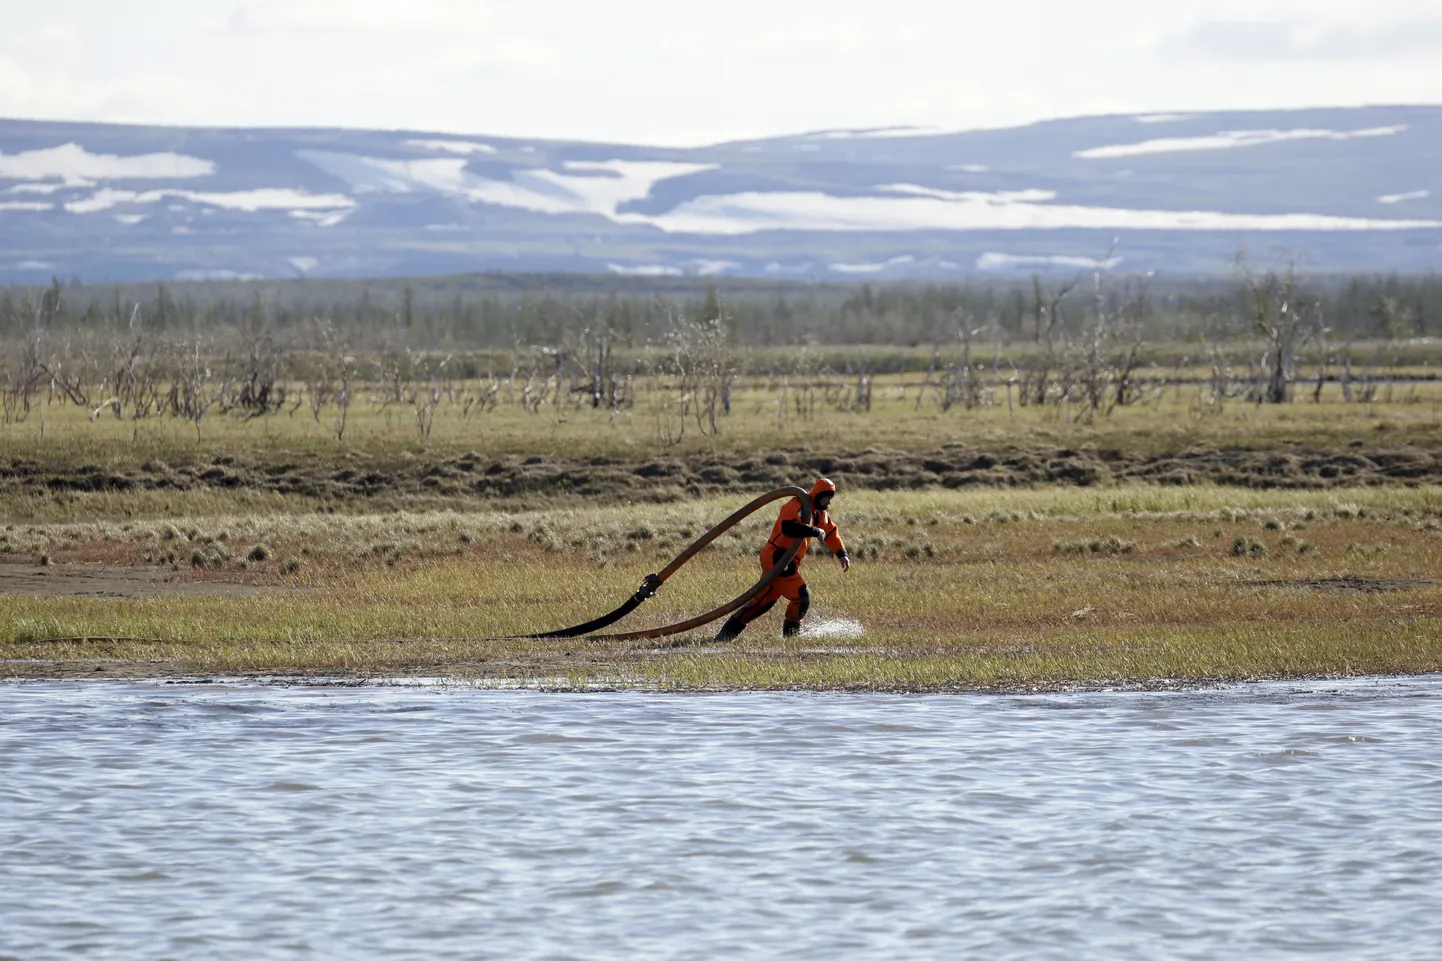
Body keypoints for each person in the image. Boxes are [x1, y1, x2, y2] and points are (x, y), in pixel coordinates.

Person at [716, 477, 850, 641]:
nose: (828, 502)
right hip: (777, 557)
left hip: (786, 561)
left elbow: (831, 533)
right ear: (817, 494)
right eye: (826, 498)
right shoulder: (796, 505)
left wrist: (842, 554)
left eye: (830, 499)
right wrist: (814, 531)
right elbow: (788, 527)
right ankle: (790, 639)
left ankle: (723, 638)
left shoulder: (820, 513)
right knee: (802, 597)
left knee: (762, 603)